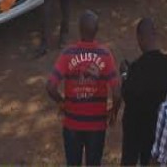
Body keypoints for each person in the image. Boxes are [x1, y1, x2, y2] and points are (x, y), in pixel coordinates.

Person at [46, 10, 122, 166]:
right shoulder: (105, 54)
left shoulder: (68, 53)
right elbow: (117, 93)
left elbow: (50, 87)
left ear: (79, 29)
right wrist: (113, 111)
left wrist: (62, 102)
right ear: (97, 30)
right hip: (97, 125)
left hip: (72, 124)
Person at [120, 18, 167, 166]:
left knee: (129, 160)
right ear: (155, 35)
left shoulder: (136, 68)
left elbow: (127, 95)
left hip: (135, 127)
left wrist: (125, 75)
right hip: (158, 126)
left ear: (139, 38)